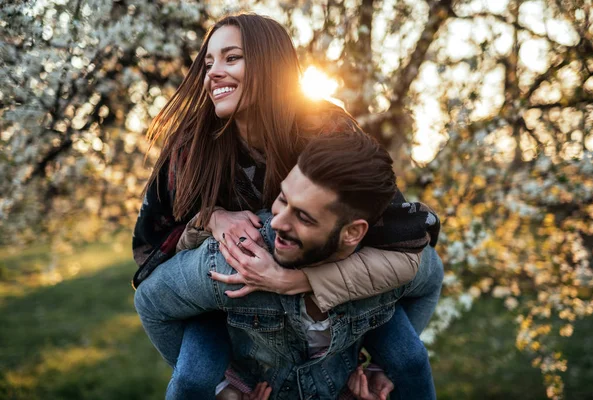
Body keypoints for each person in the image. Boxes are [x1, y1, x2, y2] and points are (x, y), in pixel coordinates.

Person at [132, 12, 442, 399]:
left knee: (409, 359)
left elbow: (400, 238)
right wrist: (210, 218)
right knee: (193, 378)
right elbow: (151, 251)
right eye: (208, 62)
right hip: (228, 305)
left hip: (332, 282)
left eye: (232, 58)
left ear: (269, 64)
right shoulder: (192, 145)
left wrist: (301, 282)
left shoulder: (325, 129)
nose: (213, 73)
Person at [135, 131, 443, 399]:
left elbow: (430, 281)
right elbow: (150, 301)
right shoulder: (237, 261)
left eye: (304, 217)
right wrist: (221, 389)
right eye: (282, 199)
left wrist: (380, 367)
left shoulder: (388, 269)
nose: (277, 221)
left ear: (353, 233)